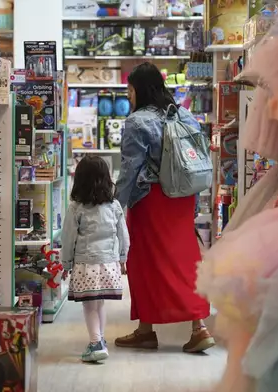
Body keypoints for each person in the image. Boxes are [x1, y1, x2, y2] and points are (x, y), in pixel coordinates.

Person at [114, 62, 215, 353]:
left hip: (152, 200)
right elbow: (197, 159)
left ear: (139, 89)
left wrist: (116, 207)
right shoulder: (184, 114)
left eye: (130, 89)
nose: (129, 96)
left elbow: (130, 170)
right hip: (183, 198)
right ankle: (195, 326)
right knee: (185, 260)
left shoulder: (137, 122)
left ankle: (150, 329)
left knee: (143, 262)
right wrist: (194, 204)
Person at [61, 155, 130, 363]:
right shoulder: (114, 205)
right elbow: (123, 235)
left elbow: (68, 237)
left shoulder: (76, 208)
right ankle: (100, 339)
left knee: (89, 306)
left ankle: (95, 343)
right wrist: (122, 257)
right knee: (99, 305)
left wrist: (66, 263)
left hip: (86, 263)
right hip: (109, 263)